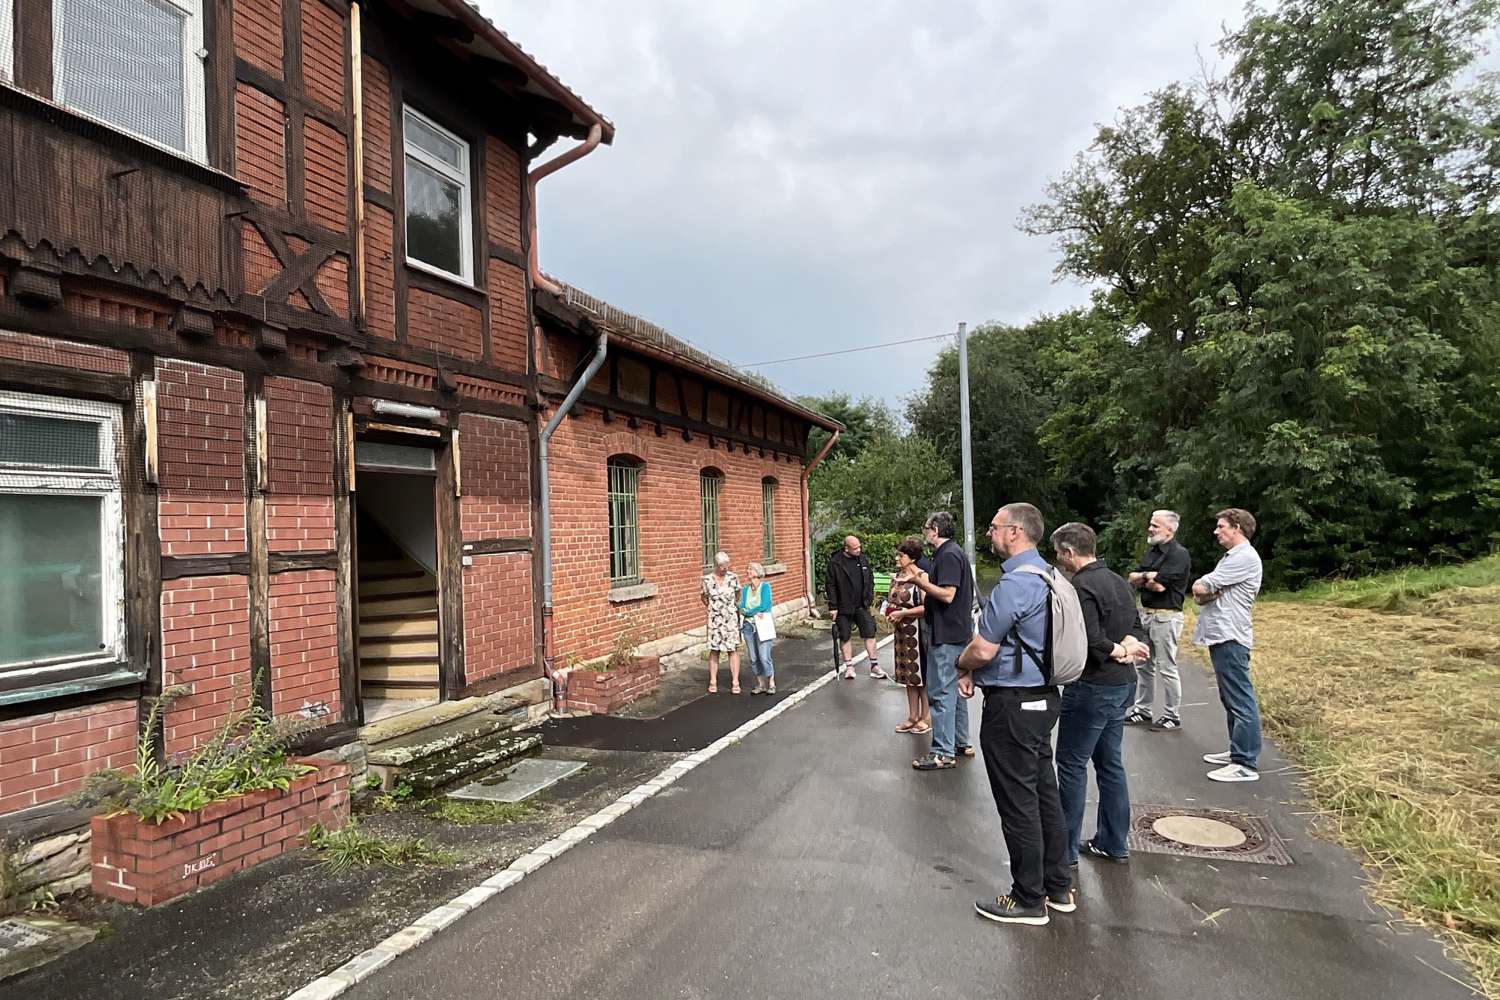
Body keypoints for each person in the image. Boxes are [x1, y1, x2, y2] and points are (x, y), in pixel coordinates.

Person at [955, 502, 1071, 926]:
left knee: (1017, 802)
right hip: (1044, 699)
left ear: (1016, 532)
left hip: (1012, 706)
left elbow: (984, 647)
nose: (990, 533)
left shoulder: (1015, 585)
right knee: (1044, 793)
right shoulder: (1051, 576)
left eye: (994, 526)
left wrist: (962, 666)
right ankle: (1058, 887)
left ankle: (1027, 898)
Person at [1051, 522, 1150, 873]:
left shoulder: (1080, 586)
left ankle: (1064, 851)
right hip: (1123, 684)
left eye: (1059, 553)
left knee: (1072, 764)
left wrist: (1114, 651)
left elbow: (1088, 640)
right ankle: (1113, 841)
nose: (1058, 559)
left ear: (1069, 552)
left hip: (1092, 686)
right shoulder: (1118, 581)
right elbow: (1136, 628)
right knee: (1110, 764)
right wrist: (1129, 648)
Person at [1192, 508, 1265, 782]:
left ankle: (1245, 762)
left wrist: (1206, 589)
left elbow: (1201, 587)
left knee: (1240, 698)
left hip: (1231, 635)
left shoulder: (1244, 557)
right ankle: (1237, 749)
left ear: (1237, 528)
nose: (1216, 531)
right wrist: (1207, 590)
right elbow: (1201, 593)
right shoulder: (1231, 558)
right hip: (1221, 634)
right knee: (1230, 697)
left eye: (1221, 526)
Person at [904, 512, 975, 770]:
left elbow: (947, 595)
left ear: (935, 529)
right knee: (955, 690)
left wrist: (918, 582)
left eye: (926, 528)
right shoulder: (952, 553)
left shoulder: (947, 555)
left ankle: (942, 753)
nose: (925, 533)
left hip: (946, 634)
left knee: (941, 692)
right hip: (958, 631)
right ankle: (960, 741)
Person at [1126, 509, 1192, 731]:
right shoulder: (1152, 552)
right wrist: (1148, 576)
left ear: (1170, 529)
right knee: (1143, 665)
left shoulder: (1178, 554)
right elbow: (1133, 577)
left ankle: (1172, 715)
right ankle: (1143, 709)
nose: (1150, 528)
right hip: (1146, 613)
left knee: (1167, 667)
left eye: (1156, 525)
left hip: (1166, 616)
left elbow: (1161, 585)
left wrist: (1146, 578)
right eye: (1151, 524)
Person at [826, 535, 887, 680]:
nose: (858, 550)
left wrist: (869, 597)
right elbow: (830, 585)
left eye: (859, 547)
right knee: (845, 636)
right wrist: (833, 606)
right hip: (843, 606)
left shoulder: (863, 559)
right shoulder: (835, 563)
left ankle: (874, 665)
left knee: (870, 633)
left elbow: (870, 579)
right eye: (855, 548)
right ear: (846, 548)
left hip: (862, 605)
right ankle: (849, 666)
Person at [884, 537, 929, 733]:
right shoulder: (896, 577)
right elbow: (890, 601)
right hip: (901, 633)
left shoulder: (922, 576)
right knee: (908, 677)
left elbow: (927, 607)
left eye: (901, 555)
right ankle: (912, 716)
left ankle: (926, 717)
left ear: (912, 557)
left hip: (918, 632)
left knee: (922, 676)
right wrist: (891, 613)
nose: (897, 558)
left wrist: (904, 613)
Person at [701, 552, 742, 694]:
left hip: (730, 618)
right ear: (716, 566)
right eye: (722, 566)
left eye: (727, 566)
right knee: (714, 650)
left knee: (733, 649)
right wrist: (713, 609)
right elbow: (704, 597)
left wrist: (730, 609)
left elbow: (738, 595)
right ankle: (713, 681)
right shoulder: (707, 580)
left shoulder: (733, 578)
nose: (725, 568)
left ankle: (735, 681)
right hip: (715, 619)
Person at [739, 561, 776, 695]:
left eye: (750, 569)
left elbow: (765, 605)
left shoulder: (765, 587)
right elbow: (741, 607)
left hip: (762, 624)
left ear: (757, 573)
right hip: (748, 626)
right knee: (753, 657)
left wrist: (749, 611)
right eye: (747, 569)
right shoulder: (745, 590)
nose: (748, 571)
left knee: (764, 656)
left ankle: (771, 682)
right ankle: (760, 683)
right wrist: (749, 612)